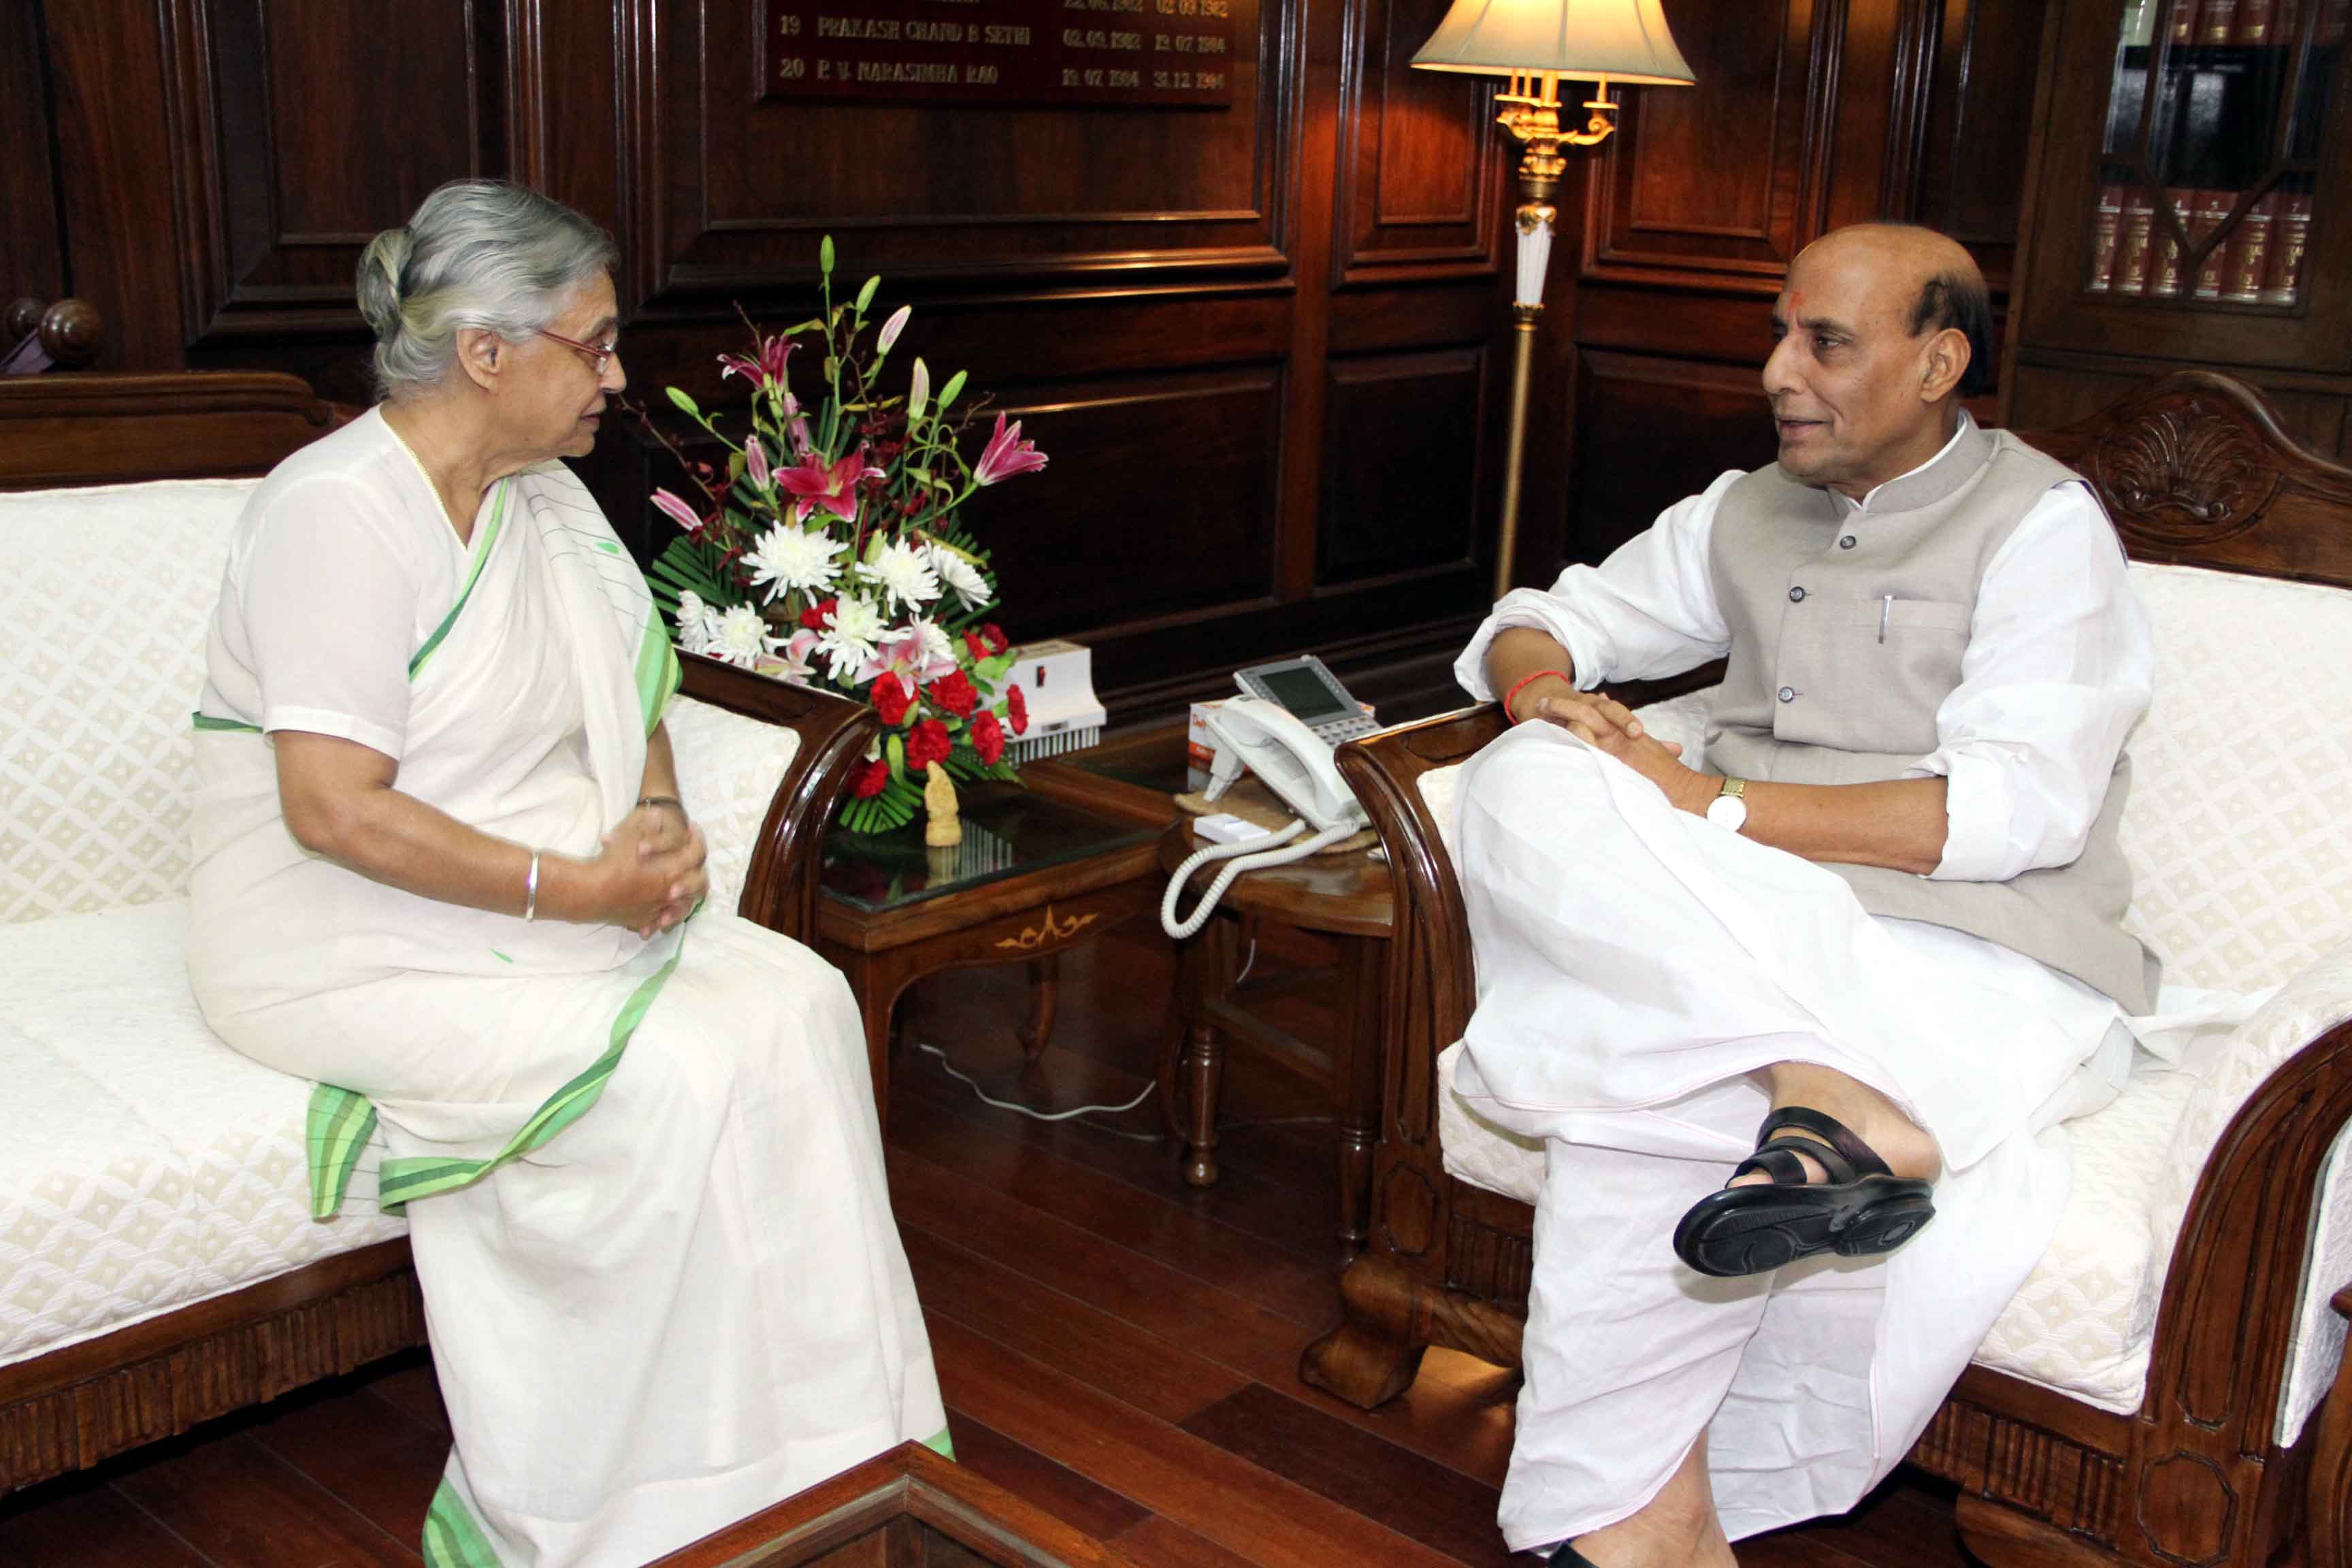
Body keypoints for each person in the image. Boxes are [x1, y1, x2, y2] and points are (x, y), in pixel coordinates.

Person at [187, 180, 945, 1568]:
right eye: (592, 345)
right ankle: (617, 1511)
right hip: (333, 927)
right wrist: (571, 889)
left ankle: (818, 1473)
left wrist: (653, 815)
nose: (616, 375)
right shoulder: (336, 513)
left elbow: (631, 683)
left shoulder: (543, 496)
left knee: (798, 1009)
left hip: (528, 887)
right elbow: (332, 811)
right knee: (676, 1074)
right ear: (486, 352)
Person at [1450, 223, 2157, 1565]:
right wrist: (1554, 700)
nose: (1780, 372)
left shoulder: (2045, 529)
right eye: (1780, 333)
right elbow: (1543, 617)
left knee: (1641, 1093)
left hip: (1968, 938)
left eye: (1825, 343)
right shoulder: (1748, 502)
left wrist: (1704, 804)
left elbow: (2014, 814)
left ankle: (1633, 1528)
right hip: (1751, 912)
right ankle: (1824, 1087)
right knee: (1518, 780)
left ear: (1940, 360)